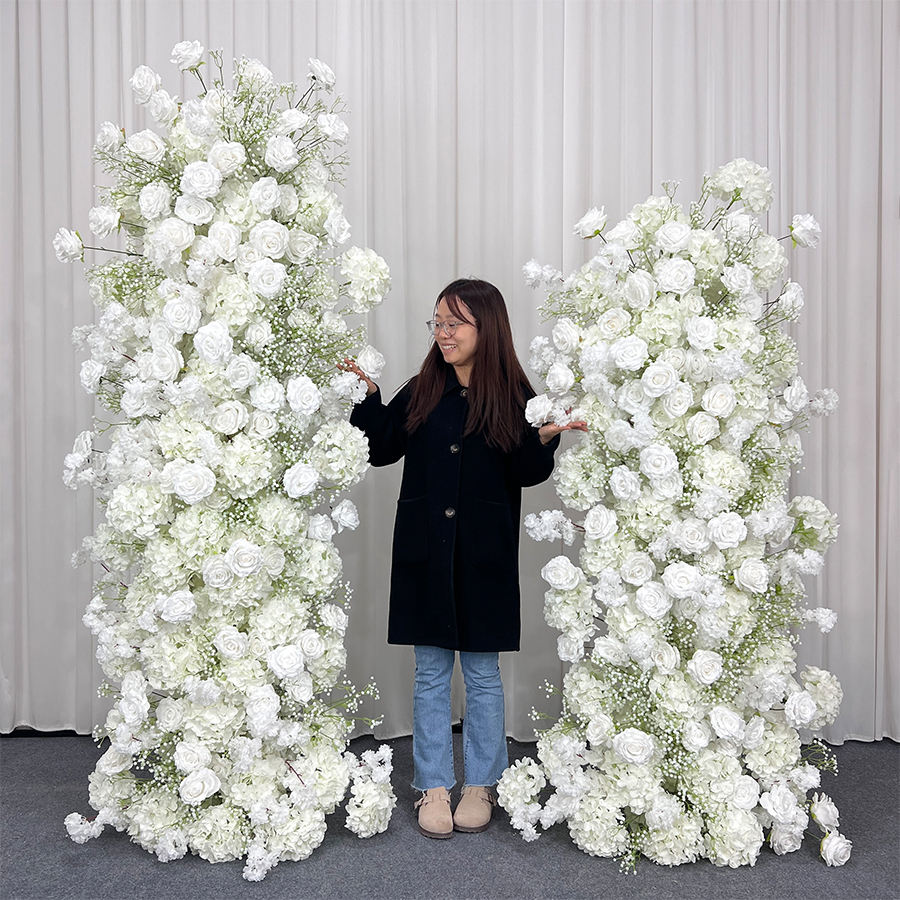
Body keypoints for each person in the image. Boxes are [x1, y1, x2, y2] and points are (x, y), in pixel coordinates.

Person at [339, 278, 586, 839]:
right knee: (429, 672)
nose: (443, 333)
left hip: (483, 554)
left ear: (487, 329)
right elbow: (382, 449)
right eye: (437, 323)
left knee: (481, 673)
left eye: (455, 324)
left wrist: (545, 437)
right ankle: (432, 785)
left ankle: (479, 784)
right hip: (425, 550)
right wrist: (367, 396)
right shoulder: (424, 388)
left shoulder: (517, 397)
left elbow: (524, 472)